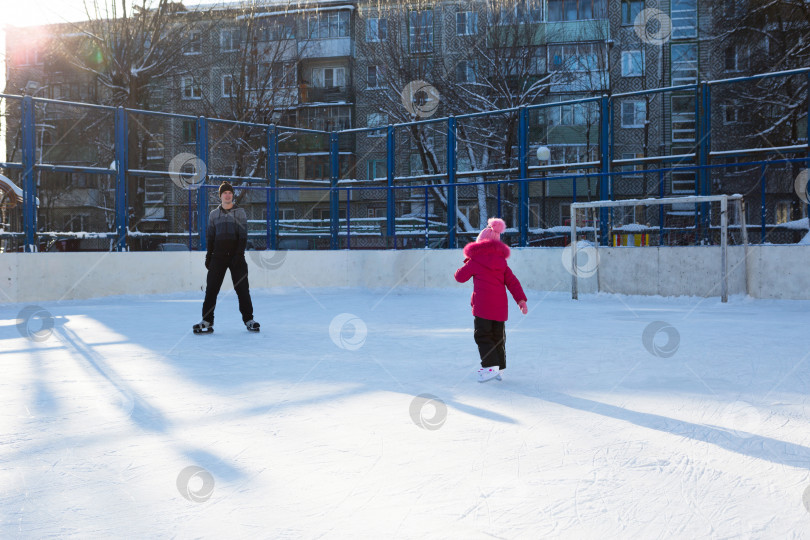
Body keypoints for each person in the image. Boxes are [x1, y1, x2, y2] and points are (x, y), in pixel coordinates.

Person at [454, 218, 527, 382]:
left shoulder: (475, 261)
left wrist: (468, 262)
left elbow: (459, 277)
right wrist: (521, 300)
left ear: (479, 244)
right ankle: (499, 369)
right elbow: (513, 282)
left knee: (483, 336)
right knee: (498, 338)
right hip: (500, 309)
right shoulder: (503, 264)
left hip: (482, 308)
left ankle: (490, 367)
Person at [193, 181, 260, 334]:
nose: (228, 195)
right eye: (225, 193)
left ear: (232, 195)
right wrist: (208, 256)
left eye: (230, 192)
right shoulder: (213, 215)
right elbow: (211, 238)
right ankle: (207, 321)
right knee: (211, 290)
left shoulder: (240, 213)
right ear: (221, 196)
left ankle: (249, 320)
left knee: (243, 289)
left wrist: (238, 254)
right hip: (218, 257)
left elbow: (243, 236)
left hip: (236, 257)